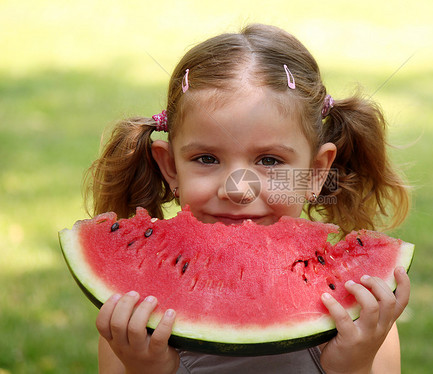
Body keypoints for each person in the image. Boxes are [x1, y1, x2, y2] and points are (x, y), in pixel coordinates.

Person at [85, 23, 411, 374]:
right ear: (171, 167)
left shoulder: (361, 312)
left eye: (269, 161)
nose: (238, 189)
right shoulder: (136, 316)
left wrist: (352, 367)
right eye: (206, 159)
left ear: (316, 172)